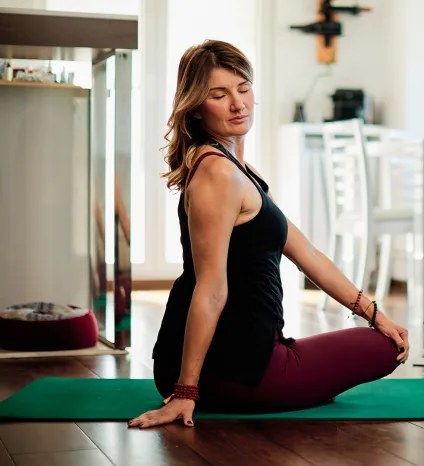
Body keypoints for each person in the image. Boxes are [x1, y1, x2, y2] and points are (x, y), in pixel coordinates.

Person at [127, 40, 409, 429]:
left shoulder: (240, 170)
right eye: (219, 94)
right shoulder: (217, 174)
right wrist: (185, 392)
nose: (238, 104)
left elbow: (307, 253)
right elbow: (210, 289)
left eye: (243, 89)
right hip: (235, 368)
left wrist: (375, 313)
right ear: (195, 107)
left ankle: (282, 377)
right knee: (383, 350)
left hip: (247, 355)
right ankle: (236, 387)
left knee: (382, 336)